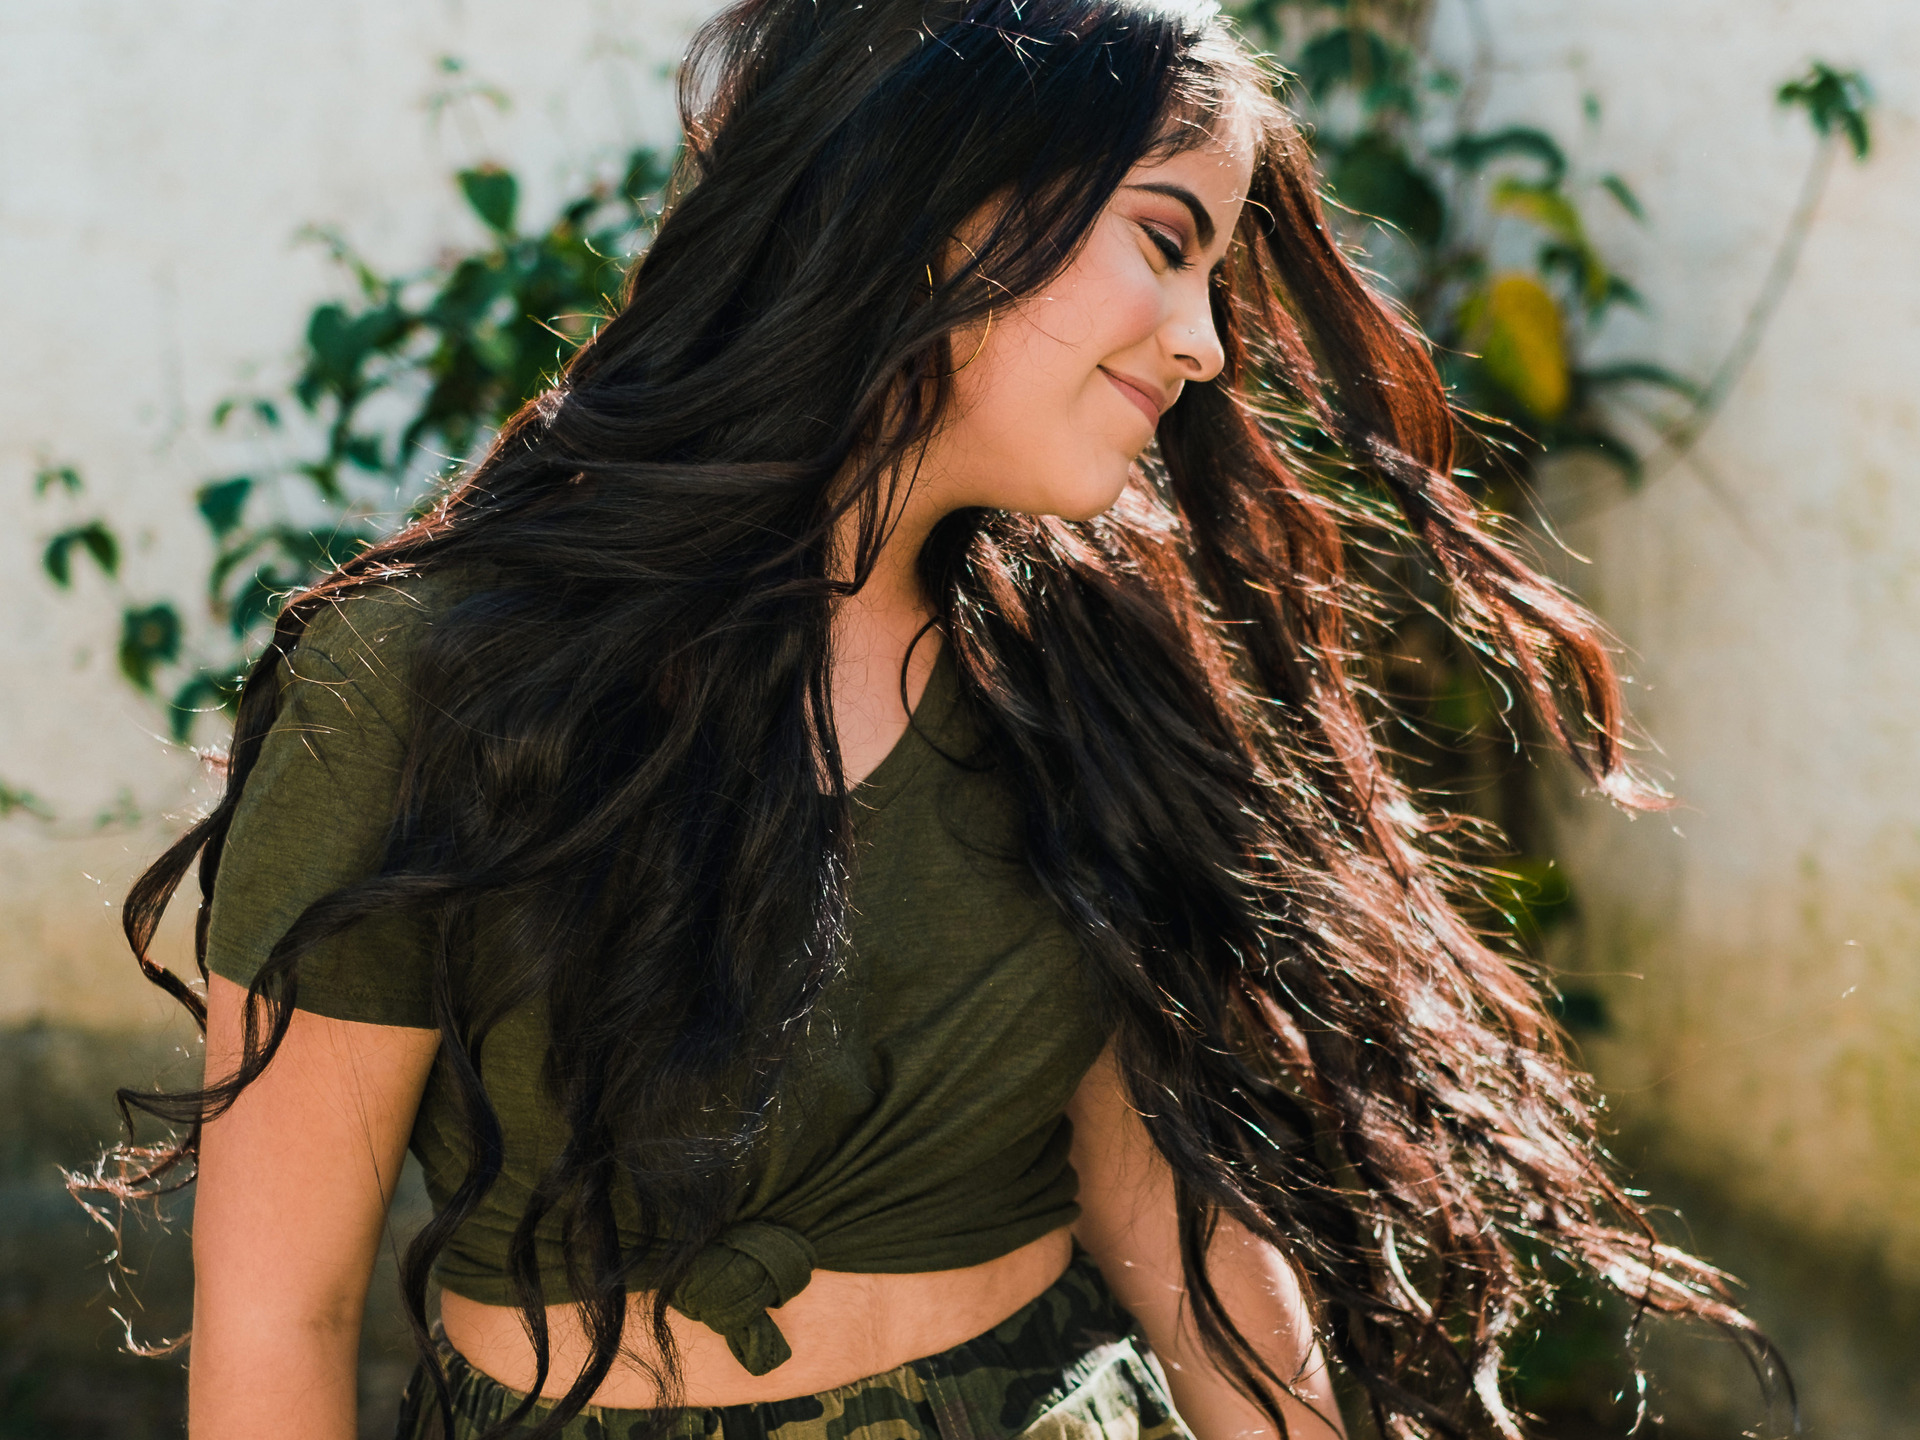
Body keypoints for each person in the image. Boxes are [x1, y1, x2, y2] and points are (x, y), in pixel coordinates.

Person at [95, 2, 1764, 1438]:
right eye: (1167, 242)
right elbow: (280, 1319)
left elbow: (1169, 1206)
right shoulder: (413, 679)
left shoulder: (1076, 666)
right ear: (944, 201)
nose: (1202, 343)